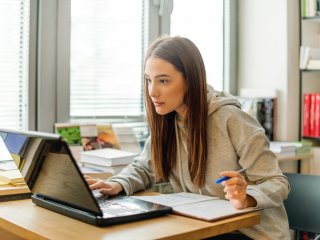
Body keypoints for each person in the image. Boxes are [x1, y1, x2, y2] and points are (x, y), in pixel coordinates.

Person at [85, 36, 290, 239]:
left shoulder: (231, 119)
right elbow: (144, 167)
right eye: (149, 80)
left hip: (249, 232)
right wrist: (117, 184)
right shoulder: (169, 120)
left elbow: (277, 182)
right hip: (201, 226)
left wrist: (247, 198)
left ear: (191, 79)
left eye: (163, 81)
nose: (152, 92)